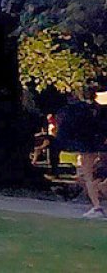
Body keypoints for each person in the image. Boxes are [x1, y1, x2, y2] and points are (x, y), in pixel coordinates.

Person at [53, 88, 105, 218]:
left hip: (88, 145)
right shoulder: (98, 109)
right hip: (99, 144)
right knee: (92, 174)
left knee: (88, 176)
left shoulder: (79, 110)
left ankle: (97, 206)